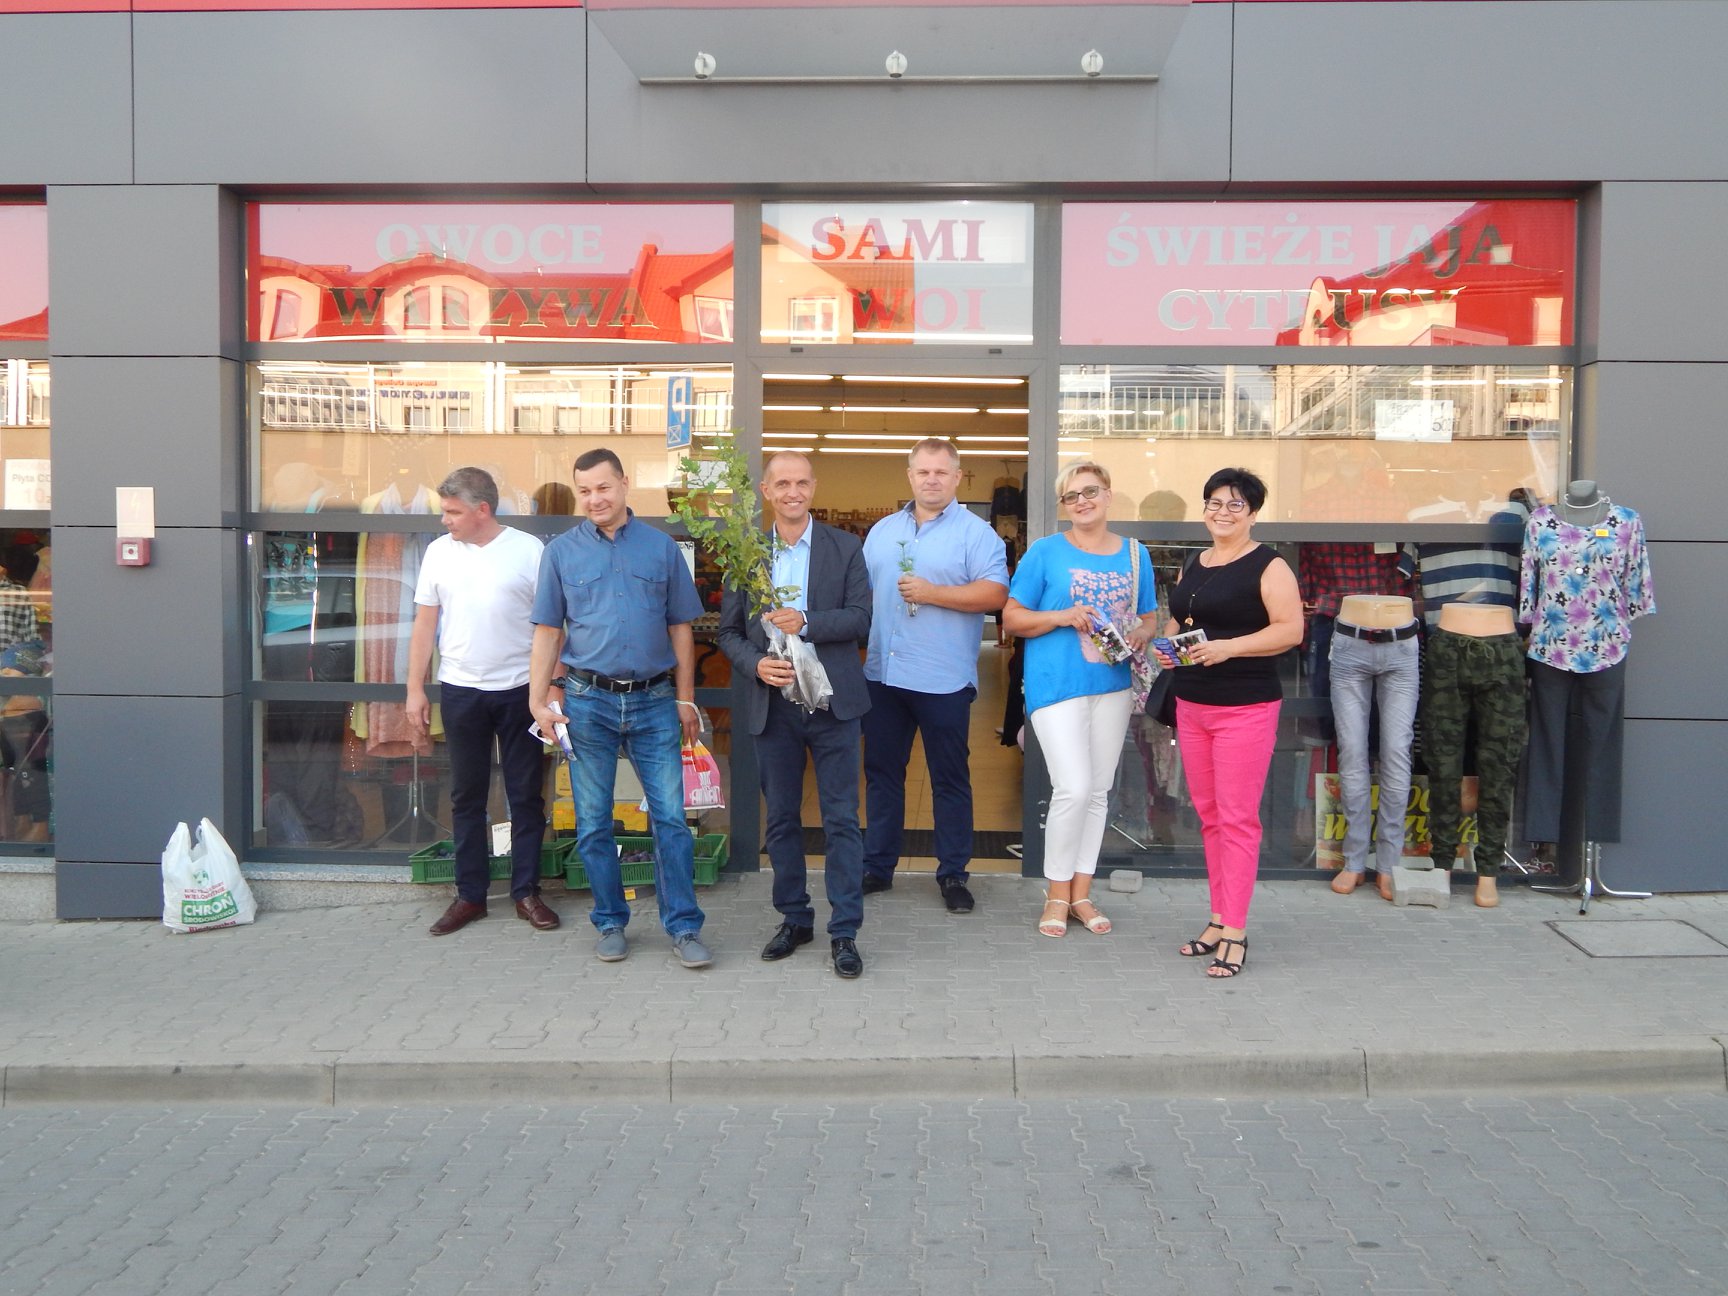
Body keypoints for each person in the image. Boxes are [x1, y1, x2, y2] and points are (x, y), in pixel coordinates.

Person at [528, 448, 712, 970]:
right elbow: (548, 631)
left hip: (655, 702)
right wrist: (538, 700)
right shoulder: (561, 553)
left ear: (624, 484)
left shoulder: (661, 548)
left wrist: (685, 697)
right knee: (592, 822)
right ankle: (609, 921)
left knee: (671, 821)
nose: (594, 499)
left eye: (603, 488)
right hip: (588, 703)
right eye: (584, 491)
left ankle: (683, 926)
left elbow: (681, 628)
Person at [717, 452, 872, 978]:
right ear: (766, 491)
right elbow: (728, 632)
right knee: (781, 819)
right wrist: (755, 664)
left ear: (813, 487)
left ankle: (844, 930)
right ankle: (795, 918)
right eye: (782, 483)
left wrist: (805, 620)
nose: (793, 492)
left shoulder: (845, 547)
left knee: (841, 820)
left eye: (802, 482)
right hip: (774, 706)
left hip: (833, 705)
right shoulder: (747, 554)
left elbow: (861, 618)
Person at [1152, 468, 1303, 978]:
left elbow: (1290, 630)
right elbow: (1181, 619)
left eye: (1235, 504)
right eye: (1214, 503)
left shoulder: (1270, 565)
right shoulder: (1195, 562)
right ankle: (1219, 918)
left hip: (1245, 706)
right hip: (1192, 703)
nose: (1223, 512)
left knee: (1237, 819)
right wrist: (1167, 645)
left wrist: (1229, 648)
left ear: (1253, 513)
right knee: (1211, 817)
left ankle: (1235, 931)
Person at [1002, 463, 1158, 938]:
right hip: (1055, 685)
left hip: (1112, 686)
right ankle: (1056, 893)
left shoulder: (1135, 554)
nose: (1082, 501)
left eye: (1090, 491)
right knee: (1072, 787)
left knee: (1097, 792)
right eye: (1072, 496)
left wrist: (1140, 635)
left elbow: (1149, 617)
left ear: (1108, 495)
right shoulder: (1045, 552)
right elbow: (1012, 618)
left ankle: (1082, 894)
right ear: (1063, 505)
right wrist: (1062, 615)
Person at [860, 438, 1010, 913]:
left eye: (941, 472)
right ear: (909, 476)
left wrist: (932, 593)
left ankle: (953, 874)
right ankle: (877, 866)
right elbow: (860, 594)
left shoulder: (977, 534)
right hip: (883, 673)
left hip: (943, 678)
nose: (931, 480)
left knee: (949, 778)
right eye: (923, 471)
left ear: (957, 476)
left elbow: (995, 595)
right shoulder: (882, 531)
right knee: (882, 774)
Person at [406, 468, 553, 937]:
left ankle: (526, 892)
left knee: (525, 795)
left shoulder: (528, 551)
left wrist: (551, 686)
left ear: (482, 510)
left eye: (452, 511)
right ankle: (470, 896)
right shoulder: (438, 553)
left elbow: (552, 625)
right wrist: (414, 689)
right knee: (466, 796)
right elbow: (424, 624)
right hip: (460, 689)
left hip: (520, 689)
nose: (444, 519)